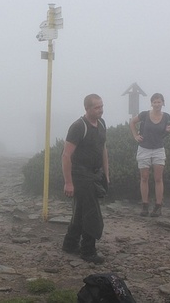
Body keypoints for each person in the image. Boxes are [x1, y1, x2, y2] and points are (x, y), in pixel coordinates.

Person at [62, 94, 110, 264]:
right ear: (87, 108)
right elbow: (66, 155)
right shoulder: (78, 127)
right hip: (80, 175)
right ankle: (88, 251)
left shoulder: (102, 124)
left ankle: (69, 244)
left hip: (95, 173)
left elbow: (103, 149)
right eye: (97, 107)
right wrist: (68, 182)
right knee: (91, 213)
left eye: (101, 106)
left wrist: (106, 173)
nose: (101, 110)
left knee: (81, 210)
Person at [129, 93, 170, 217]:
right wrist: (135, 136)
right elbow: (132, 122)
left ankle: (158, 206)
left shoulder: (166, 116)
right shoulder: (144, 115)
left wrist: (168, 131)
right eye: (154, 102)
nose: (157, 104)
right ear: (151, 103)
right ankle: (145, 206)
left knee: (158, 178)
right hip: (144, 149)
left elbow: (163, 134)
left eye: (159, 102)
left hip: (159, 149)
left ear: (163, 103)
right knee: (144, 177)